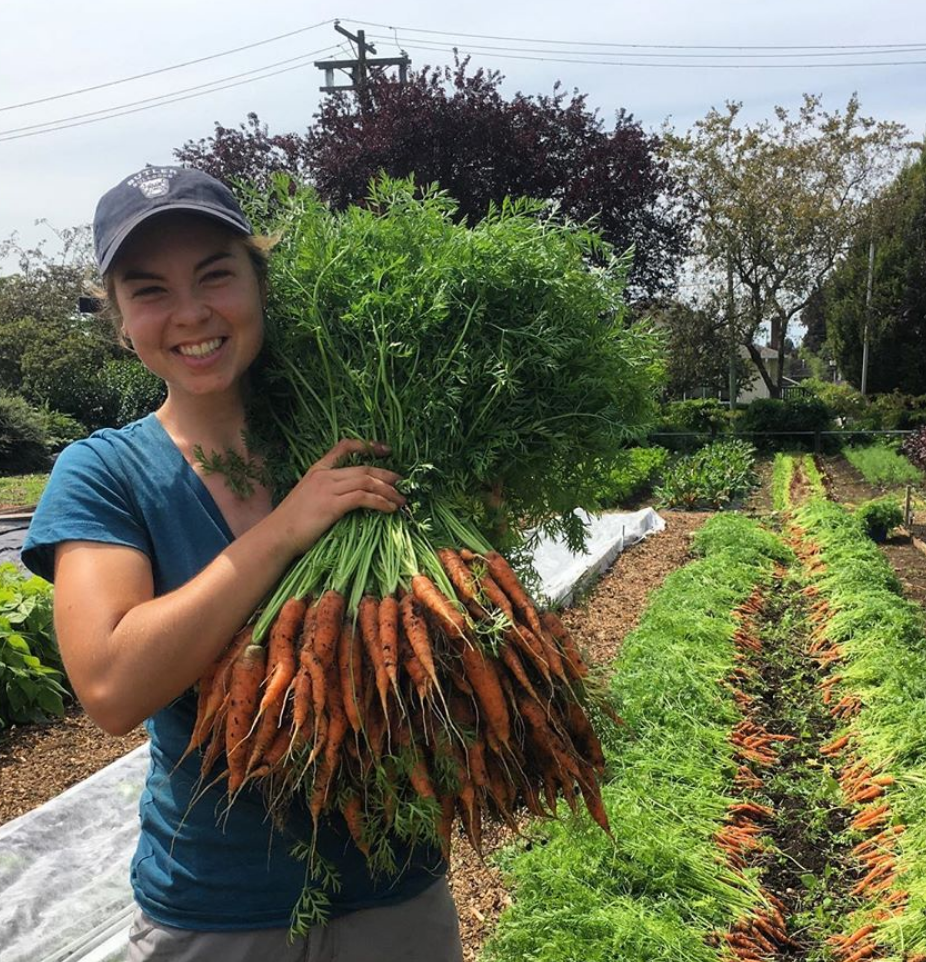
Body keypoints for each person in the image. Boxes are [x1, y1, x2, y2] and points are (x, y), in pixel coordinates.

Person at [21, 166, 464, 962]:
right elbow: (112, 686)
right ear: (121, 321)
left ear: (260, 284)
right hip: (216, 907)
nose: (191, 313)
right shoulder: (106, 472)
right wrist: (284, 529)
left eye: (216, 275)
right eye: (150, 290)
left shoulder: (358, 426)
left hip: (398, 882)